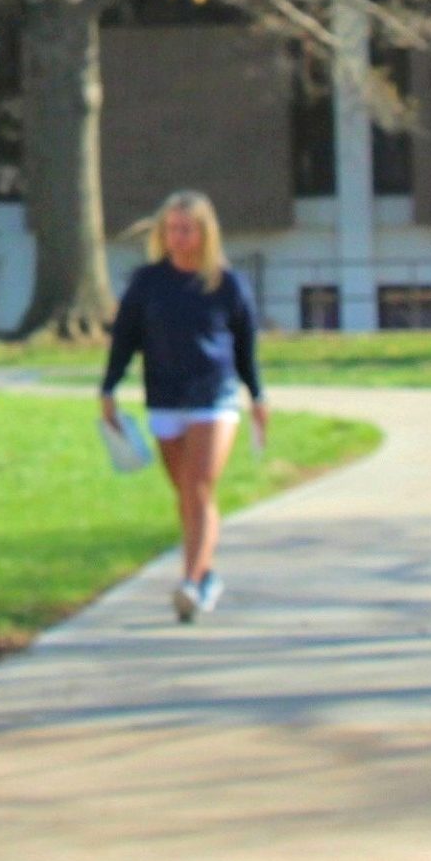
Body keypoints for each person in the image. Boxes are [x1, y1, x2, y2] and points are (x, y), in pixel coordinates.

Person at [100, 190, 268, 623]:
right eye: (171, 229)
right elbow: (125, 340)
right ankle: (206, 574)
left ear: (204, 232)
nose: (177, 237)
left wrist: (258, 396)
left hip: (214, 395)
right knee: (187, 495)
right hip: (165, 397)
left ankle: (190, 583)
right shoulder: (147, 283)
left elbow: (246, 346)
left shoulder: (226, 283)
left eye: (185, 229)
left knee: (198, 487)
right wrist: (109, 389)